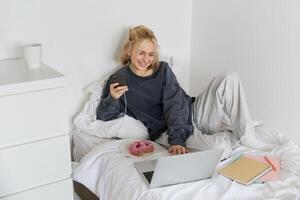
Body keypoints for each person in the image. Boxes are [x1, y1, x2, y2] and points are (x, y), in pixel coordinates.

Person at [96, 25, 266, 156]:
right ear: (129, 50)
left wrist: (179, 135)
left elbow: (175, 103)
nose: (146, 59)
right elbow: (105, 116)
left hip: (193, 112)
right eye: (141, 53)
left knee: (230, 77)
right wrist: (112, 98)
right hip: (167, 132)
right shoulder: (119, 79)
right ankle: (228, 133)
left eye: (151, 54)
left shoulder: (163, 69)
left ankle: (246, 135)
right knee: (218, 148)